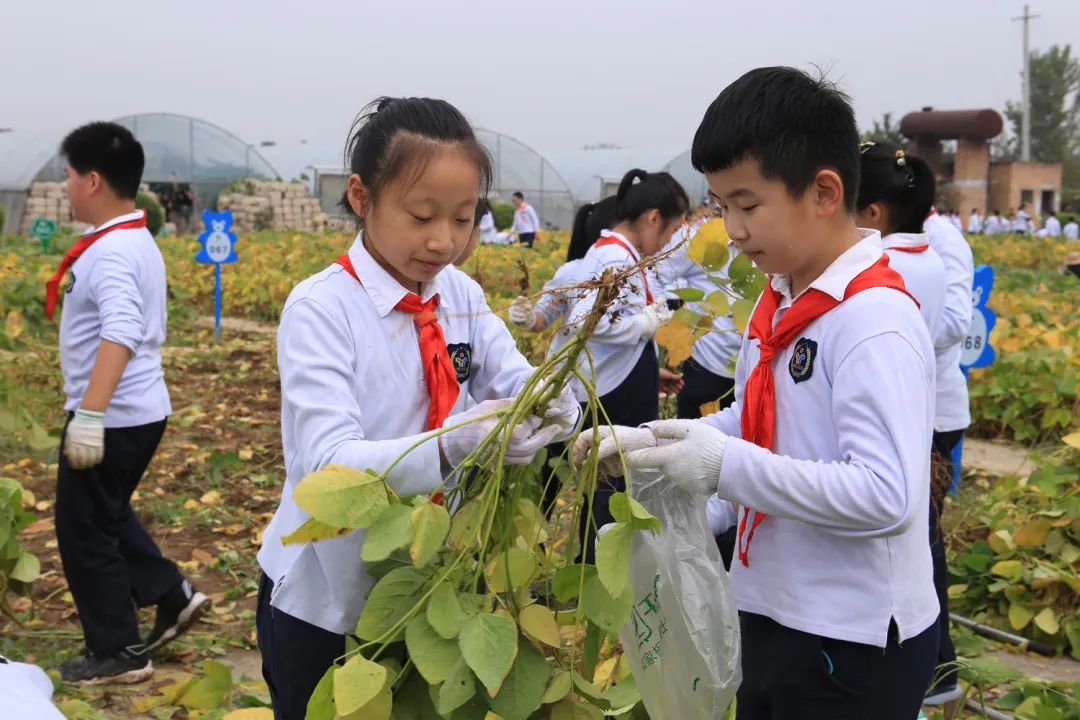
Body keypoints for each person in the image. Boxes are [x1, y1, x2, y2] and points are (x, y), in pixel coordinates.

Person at [577, 67, 939, 720]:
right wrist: (658, 445)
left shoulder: (872, 320)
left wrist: (724, 467)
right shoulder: (782, 298)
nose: (732, 228)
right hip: (772, 607)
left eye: (746, 205)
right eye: (720, 205)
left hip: (850, 638)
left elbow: (887, 495)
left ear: (824, 192)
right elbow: (765, 423)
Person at [255, 97, 579, 720]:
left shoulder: (458, 293)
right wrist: (451, 445)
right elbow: (328, 462)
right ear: (361, 196)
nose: (444, 242)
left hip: (432, 583)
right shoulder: (321, 308)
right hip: (326, 596)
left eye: (463, 219)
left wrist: (546, 399)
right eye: (422, 216)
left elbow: (510, 372)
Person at [48, 122, 208, 685]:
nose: (63, 186)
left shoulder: (112, 252)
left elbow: (120, 329)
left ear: (92, 180)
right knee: (104, 512)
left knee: (82, 529)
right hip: (138, 409)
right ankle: (171, 594)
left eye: (67, 176)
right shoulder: (133, 238)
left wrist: (89, 416)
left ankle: (118, 650)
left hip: (113, 413)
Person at [566, 168, 689, 560]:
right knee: (611, 491)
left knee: (609, 490)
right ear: (653, 218)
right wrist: (647, 322)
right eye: (669, 234)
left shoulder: (618, 254)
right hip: (612, 396)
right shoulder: (615, 256)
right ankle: (599, 570)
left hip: (619, 385)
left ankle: (598, 565)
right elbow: (592, 321)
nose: (666, 244)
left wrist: (651, 373)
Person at [923, 201, 976, 705]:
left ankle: (940, 669)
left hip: (937, 414)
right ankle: (937, 665)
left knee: (925, 540)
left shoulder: (944, 240)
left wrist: (890, 321)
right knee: (922, 538)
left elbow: (957, 321)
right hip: (919, 408)